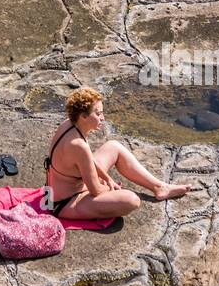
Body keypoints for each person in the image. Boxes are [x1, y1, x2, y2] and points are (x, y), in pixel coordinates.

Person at [44, 87, 191, 220]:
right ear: (83, 116)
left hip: (57, 190)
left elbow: (87, 159)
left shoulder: (70, 124)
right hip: (62, 203)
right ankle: (155, 189)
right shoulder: (77, 145)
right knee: (132, 200)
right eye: (98, 113)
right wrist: (110, 188)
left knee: (114, 146)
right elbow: (96, 191)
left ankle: (159, 187)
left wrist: (107, 178)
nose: (103, 118)